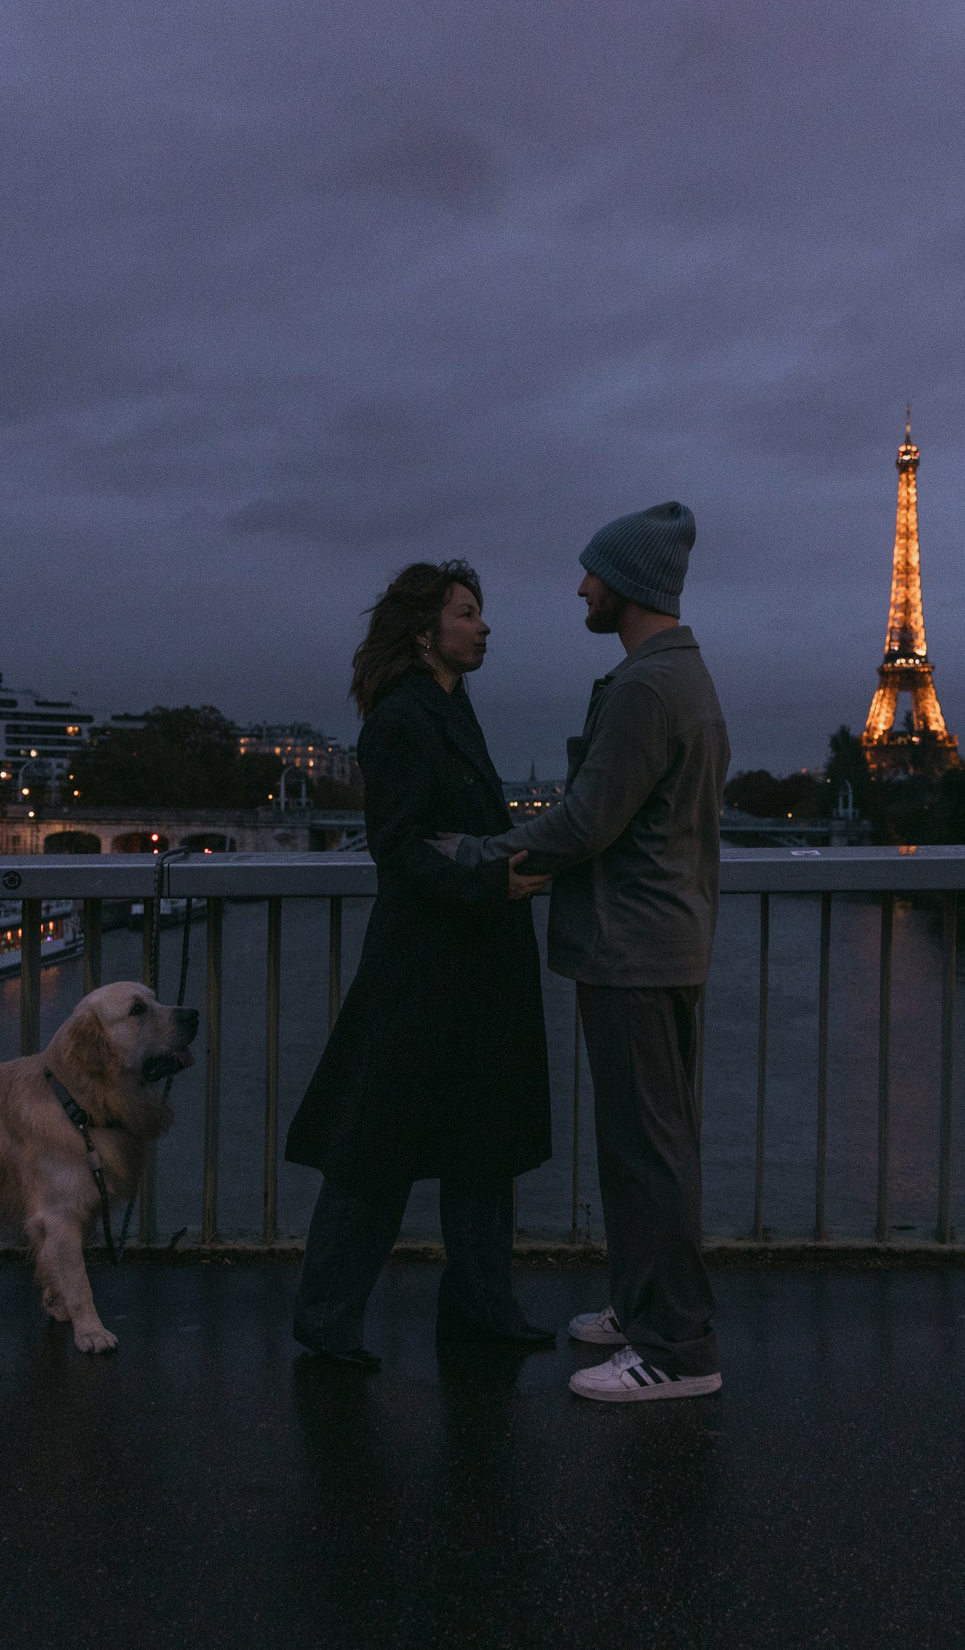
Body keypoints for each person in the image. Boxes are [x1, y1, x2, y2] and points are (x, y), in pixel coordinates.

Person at [466, 501, 730, 1402]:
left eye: (593, 572)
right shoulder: (680, 677)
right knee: (648, 1144)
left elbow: (586, 820)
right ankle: (645, 1304)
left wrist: (483, 854)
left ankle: (678, 1350)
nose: (581, 587)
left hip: (633, 949)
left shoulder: (646, 689)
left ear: (628, 583)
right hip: (661, 940)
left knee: (647, 1152)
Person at [285, 561, 557, 1369]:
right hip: (426, 967)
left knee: (476, 1141)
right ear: (424, 632)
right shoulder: (405, 719)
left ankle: (476, 1306)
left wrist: (483, 864)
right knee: (384, 1144)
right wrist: (491, 878)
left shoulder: (443, 706)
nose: (483, 625)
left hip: (462, 961)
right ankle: (332, 1316)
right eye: (467, 613)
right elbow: (400, 848)